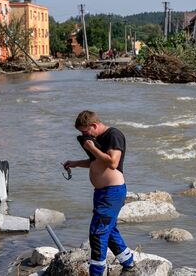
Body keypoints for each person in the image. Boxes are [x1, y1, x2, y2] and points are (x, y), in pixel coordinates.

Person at [63, 111, 134, 275]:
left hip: (112, 192)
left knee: (97, 232)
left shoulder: (113, 135)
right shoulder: (96, 139)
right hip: (102, 193)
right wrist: (75, 163)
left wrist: (93, 148)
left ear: (94, 125)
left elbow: (113, 162)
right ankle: (128, 263)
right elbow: (97, 161)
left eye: (85, 131)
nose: (83, 135)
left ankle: (96, 272)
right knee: (109, 230)